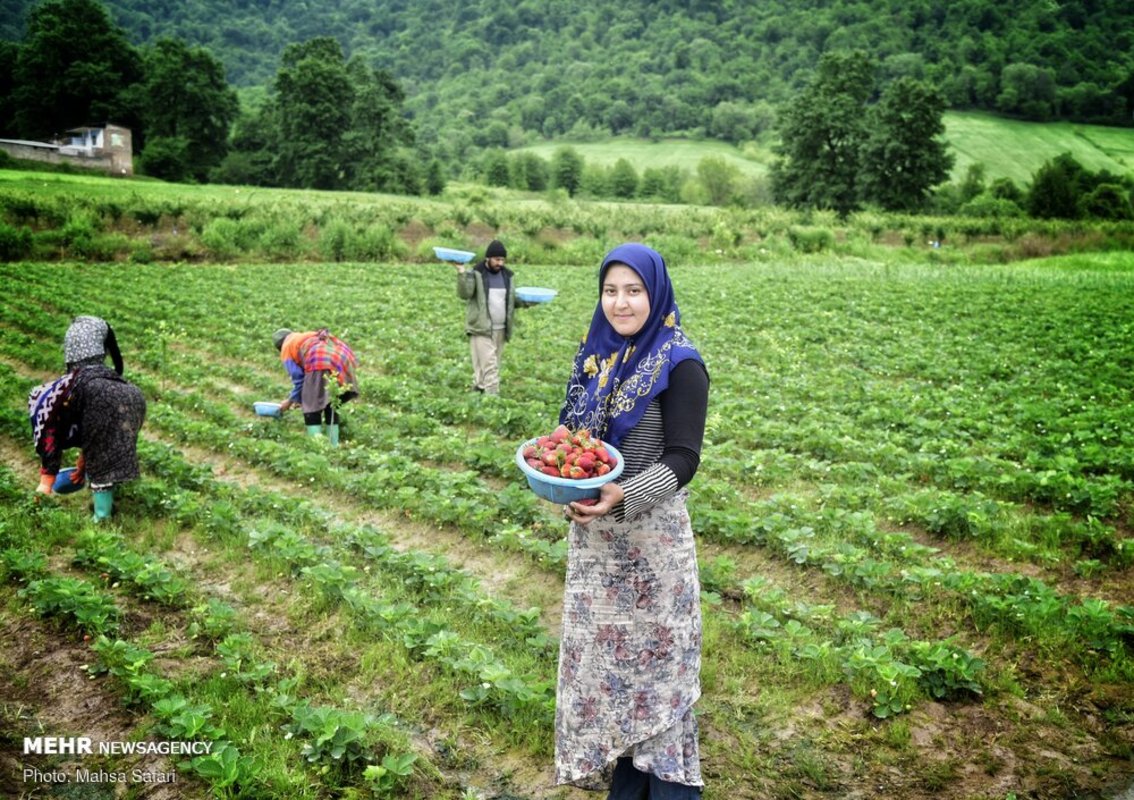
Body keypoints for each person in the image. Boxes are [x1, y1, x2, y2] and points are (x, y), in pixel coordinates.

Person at [555, 243, 710, 799]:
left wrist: (622, 496)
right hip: (598, 551)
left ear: (656, 292)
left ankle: (668, 792)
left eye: (634, 290)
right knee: (613, 678)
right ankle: (628, 789)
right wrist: (564, 481)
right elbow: (571, 443)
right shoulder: (595, 358)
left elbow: (683, 459)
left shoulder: (679, 361)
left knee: (658, 682)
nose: (620, 303)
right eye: (610, 290)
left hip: (652, 552)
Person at [28, 315, 147, 522]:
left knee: (97, 448)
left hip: (94, 385)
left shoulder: (65, 389)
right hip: (132, 396)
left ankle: (100, 518)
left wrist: (47, 477)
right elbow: (117, 358)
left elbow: (52, 425)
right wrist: (115, 376)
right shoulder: (102, 326)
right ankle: (105, 504)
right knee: (108, 445)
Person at [273, 328, 359, 446]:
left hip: (320, 359)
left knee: (310, 405)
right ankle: (334, 446)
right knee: (331, 403)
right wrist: (298, 398)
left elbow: (299, 380)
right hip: (341, 356)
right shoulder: (303, 337)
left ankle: (317, 446)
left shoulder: (286, 348)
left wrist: (289, 401)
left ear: (279, 346)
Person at [455, 239, 515, 395]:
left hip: (501, 328)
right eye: (497, 259)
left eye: (502, 260)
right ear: (488, 258)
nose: (500, 263)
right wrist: (461, 272)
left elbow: (511, 300)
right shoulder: (477, 273)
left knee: (483, 364)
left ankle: (479, 389)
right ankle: (492, 397)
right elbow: (465, 293)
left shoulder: (508, 276)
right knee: (490, 365)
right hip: (481, 327)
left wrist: (529, 302)